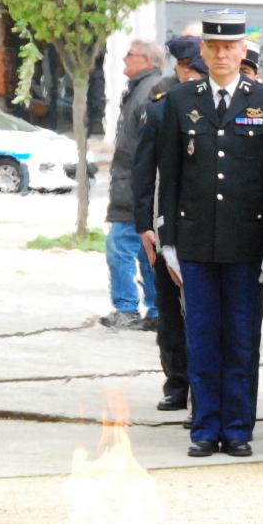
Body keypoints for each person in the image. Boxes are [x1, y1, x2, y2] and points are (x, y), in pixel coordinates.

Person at [156, 9, 263, 458]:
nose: (221, 54)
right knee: (201, 336)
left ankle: (236, 427)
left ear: (242, 52)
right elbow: (169, 175)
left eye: (230, 48)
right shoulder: (180, 100)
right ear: (203, 51)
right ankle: (204, 426)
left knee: (240, 338)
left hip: (247, 243)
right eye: (213, 47)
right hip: (195, 242)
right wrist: (168, 239)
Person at [134, 37, 206, 418]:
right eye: (186, 68)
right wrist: (144, 225)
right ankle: (177, 382)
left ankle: (202, 393)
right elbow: (143, 171)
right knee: (169, 310)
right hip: (165, 228)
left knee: (198, 313)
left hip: (202, 227)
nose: (191, 75)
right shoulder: (161, 109)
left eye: (198, 68)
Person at [102, 39, 165, 331]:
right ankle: (155, 311)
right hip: (133, 185)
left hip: (134, 187)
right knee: (143, 249)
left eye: (130, 54)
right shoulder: (141, 88)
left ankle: (126, 308)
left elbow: (144, 149)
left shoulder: (150, 90)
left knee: (119, 246)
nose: (124, 58)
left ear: (147, 60)